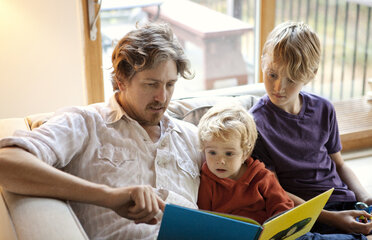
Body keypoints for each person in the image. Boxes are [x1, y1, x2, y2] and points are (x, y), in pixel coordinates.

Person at [0, 23, 202, 239]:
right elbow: (6, 161)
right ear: (121, 81)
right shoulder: (86, 123)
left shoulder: (192, 137)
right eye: (151, 84)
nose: (162, 97)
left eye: (170, 84)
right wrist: (109, 196)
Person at [250, 21, 372, 239]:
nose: (279, 88)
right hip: (299, 211)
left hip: (340, 201)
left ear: (310, 74)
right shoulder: (256, 123)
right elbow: (274, 190)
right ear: (262, 62)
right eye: (272, 75)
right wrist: (331, 218)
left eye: (292, 79)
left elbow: (340, 164)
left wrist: (365, 197)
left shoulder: (324, 108)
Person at [196, 103, 294, 225]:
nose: (220, 160)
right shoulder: (207, 180)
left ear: (245, 153)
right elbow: (203, 218)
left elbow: (283, 208)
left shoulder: (262, 176)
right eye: (212, 152)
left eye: (229, 153)